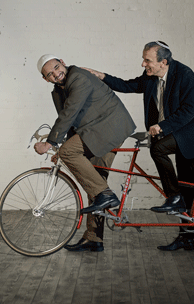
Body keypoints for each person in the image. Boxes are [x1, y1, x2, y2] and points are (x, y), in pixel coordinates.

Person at [84, 41, 194, 251]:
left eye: (147, 60)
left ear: (163, 62)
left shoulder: (185, 75)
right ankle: (184, 229)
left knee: (181, 179)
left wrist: (162, 126)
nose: (143, 64)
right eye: (144, 59)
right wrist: (102, 76)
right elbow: (128, 85)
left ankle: (176, 204)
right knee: (183, 184)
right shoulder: (151, 77)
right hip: (174, 132)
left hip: (191, 134)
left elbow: (190, 110)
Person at [35, 54, 136, 252]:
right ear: (45, 79)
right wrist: (62, 149)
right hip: (94, 130)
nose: (56, 73)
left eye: (56, 67)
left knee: (98, 186)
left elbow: (70, 111)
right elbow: (71, 121)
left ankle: (105, 196)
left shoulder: (78, 77)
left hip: (110, 126)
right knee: (94, 179)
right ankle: (94, 238)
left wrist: (50, 143)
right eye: (50, 74)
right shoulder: (57, 92)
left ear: (63, 62)